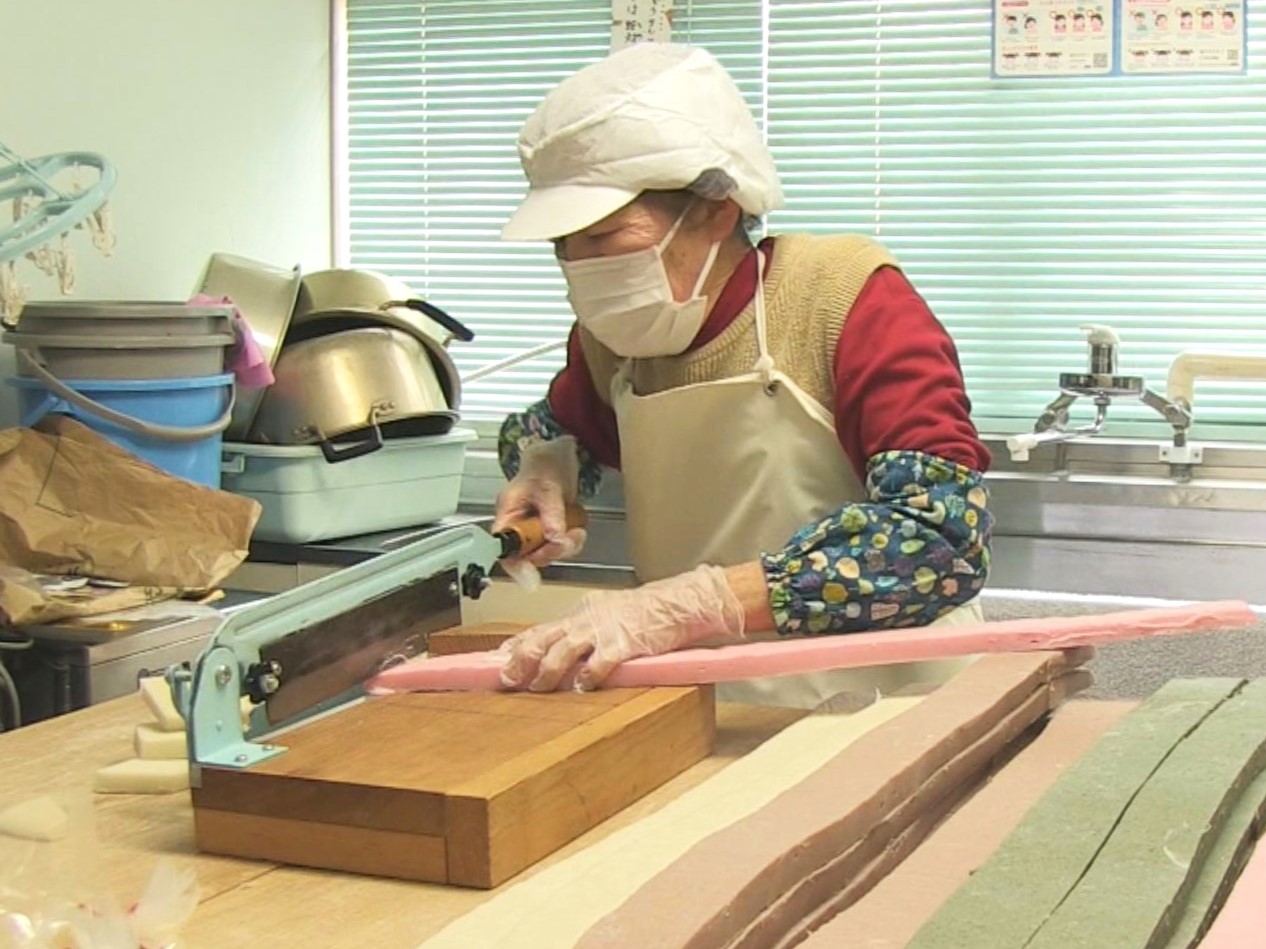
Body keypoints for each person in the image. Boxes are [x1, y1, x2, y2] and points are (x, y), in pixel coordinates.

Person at [490, 43, 993, 707]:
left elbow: (941, 540)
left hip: (888, 716)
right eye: (563, 247)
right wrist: (544, 469)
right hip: (708, 717)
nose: (580, 267)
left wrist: (697, 602)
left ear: (714, 208)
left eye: (604, 237)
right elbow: (556, 428)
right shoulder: (616, 341)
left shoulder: (843, 299)